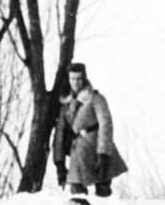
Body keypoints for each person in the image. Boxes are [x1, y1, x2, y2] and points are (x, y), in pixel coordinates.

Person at [52, 63, 128, 197]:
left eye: (79, 78)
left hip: (96, 149)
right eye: (72, 79)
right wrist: (59, 164)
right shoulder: (65, 104)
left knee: (103, 194)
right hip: (78, 153)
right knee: (77, 194)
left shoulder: (96, 98)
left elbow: (105, 125)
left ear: (84, 78)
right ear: (68, 79)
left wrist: (103, 155)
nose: (76, 82)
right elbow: (59, 134)